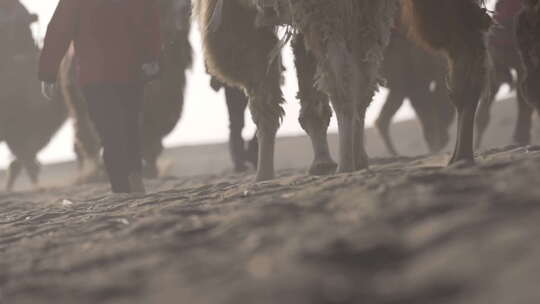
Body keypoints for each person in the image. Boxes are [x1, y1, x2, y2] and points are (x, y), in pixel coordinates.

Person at [38, 0, 161, 193]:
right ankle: (132, 179)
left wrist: (48, 73)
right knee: (128, 128)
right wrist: (150, 57)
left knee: (112, 132)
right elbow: (149, 20)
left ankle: (123, 185)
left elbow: (59, 29)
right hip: (124, 71)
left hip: (98, 76)